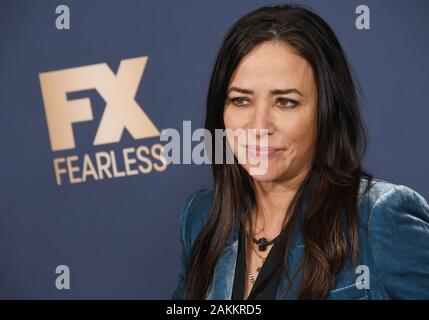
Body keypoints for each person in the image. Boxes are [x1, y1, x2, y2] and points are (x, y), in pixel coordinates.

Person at [172, 4, 429, 300]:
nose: (259, 126)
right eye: (241, 100)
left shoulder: (380, 217)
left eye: (285, 102)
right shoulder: (202, 216)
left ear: (326, 112)